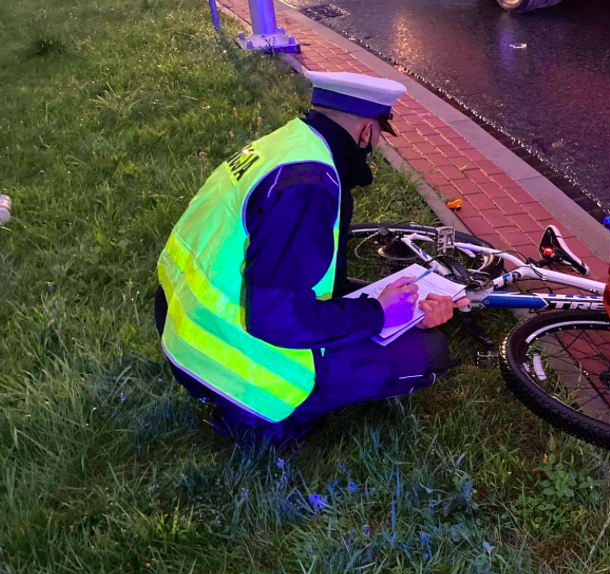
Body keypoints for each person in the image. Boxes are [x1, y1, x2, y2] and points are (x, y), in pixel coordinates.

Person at [154, 71, 468, 442]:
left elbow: (300, 282)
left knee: (379, 327)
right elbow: (276, 320)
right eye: (380, 135)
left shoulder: (287, 145)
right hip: (232, 366)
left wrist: (400, 305)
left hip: (187, 332)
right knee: (425, 353)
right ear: (367, 131)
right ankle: (263, 421)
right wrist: (379, 313)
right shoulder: (309, 187)